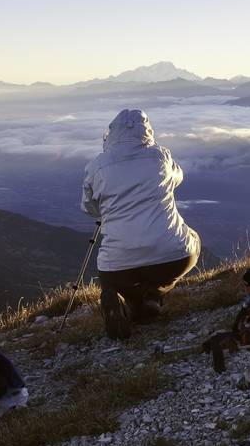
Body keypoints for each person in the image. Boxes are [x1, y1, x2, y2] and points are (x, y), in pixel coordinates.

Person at [81, 109, 201, 339]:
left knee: (119, 279)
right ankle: (154, 295)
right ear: (146, 132)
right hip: (172, 256)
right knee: (192, 241)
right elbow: (177, 178)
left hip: (117, 266)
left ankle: (131, 307)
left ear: (111, 133)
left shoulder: (96, 166)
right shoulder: (161, 156)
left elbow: (89, 208)